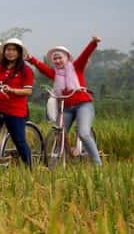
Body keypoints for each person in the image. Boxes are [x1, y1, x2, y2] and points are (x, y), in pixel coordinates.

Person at [28, 36, 102, 164]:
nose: (57, 61)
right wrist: (30, 59)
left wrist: (93, 42)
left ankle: (97, 165)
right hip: (66, 108)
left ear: (66, 58)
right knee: (59, 134)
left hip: (83, 105)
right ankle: (54, 163)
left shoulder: (76, 67)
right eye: (55, 59)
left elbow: (85, 55)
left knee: (84, 133)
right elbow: (42, 68)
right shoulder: (55, 74)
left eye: (60, 57)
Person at [0, 38, 35, 165]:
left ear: (19, 52)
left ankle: (30, 167)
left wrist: (12, 90)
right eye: (8, 49)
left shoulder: (26, 70)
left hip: (15, 111)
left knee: (19, 141)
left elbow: (28, 91)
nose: (10, 52)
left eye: (14, 50)